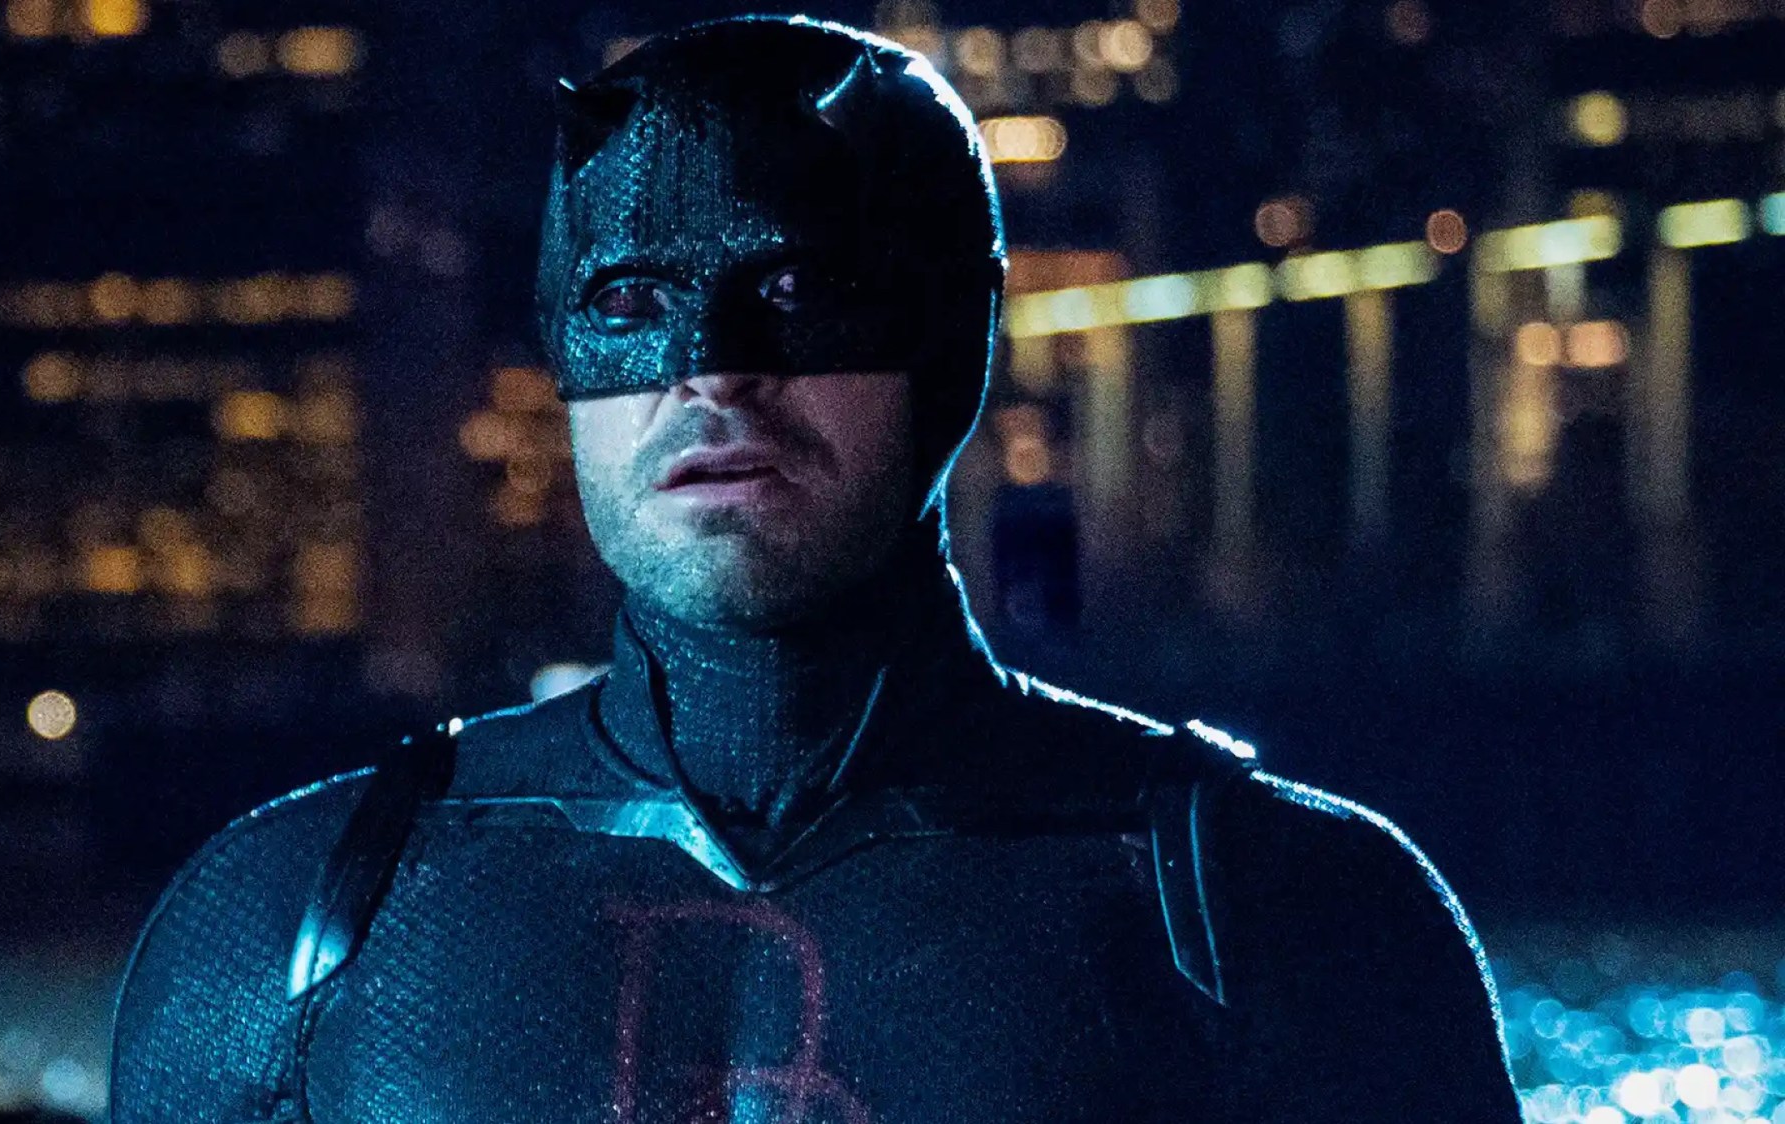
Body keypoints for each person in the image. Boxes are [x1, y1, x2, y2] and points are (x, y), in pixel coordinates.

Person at [111, 16, 1520, 1122]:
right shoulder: (286, 930)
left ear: (953, 341)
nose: (713, 372)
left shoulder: (1285, 918)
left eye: (798, 289)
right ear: (558, 354)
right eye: (630, 298)